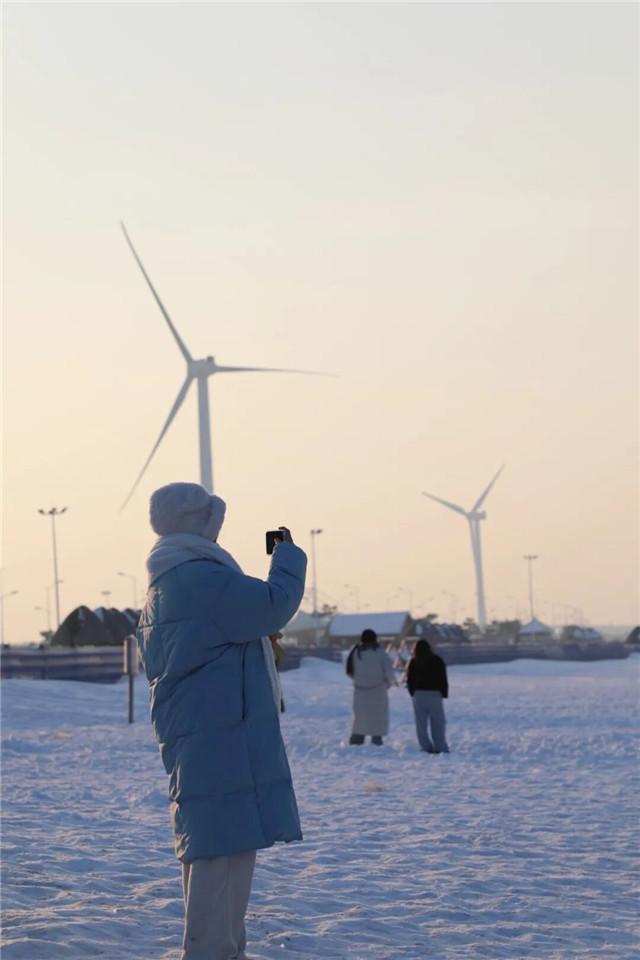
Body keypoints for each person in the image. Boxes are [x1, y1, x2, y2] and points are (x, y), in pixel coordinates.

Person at [136, 482, 307, 960]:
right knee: (219, 847)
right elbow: (272, 604)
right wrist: (287, 556)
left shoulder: (165, 581)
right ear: (199, 522)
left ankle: (221, 947)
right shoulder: (199, 578)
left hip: (201, 729)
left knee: (222, 840)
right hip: (217, 730)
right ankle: (211, 950)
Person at [346, 628, 395, 745]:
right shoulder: (380, 653)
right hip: (378, 692)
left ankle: (356, 741)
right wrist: (386, 684)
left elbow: (350, 671)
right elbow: (389, 673)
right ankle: (376, 743)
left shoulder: (356, 653)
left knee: (360, 719)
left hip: (360, 692)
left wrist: (359, 681)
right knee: (377, 720)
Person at [406, 637, 450, 753]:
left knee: (421, 724)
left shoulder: (414, 662)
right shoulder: (437, 660)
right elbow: (443, 678)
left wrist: (412, 692)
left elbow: (409, 680)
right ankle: (439, 746)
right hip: (434, 694)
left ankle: (425, 747)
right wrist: (444, 693)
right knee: (438, 722)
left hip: (419, 695)